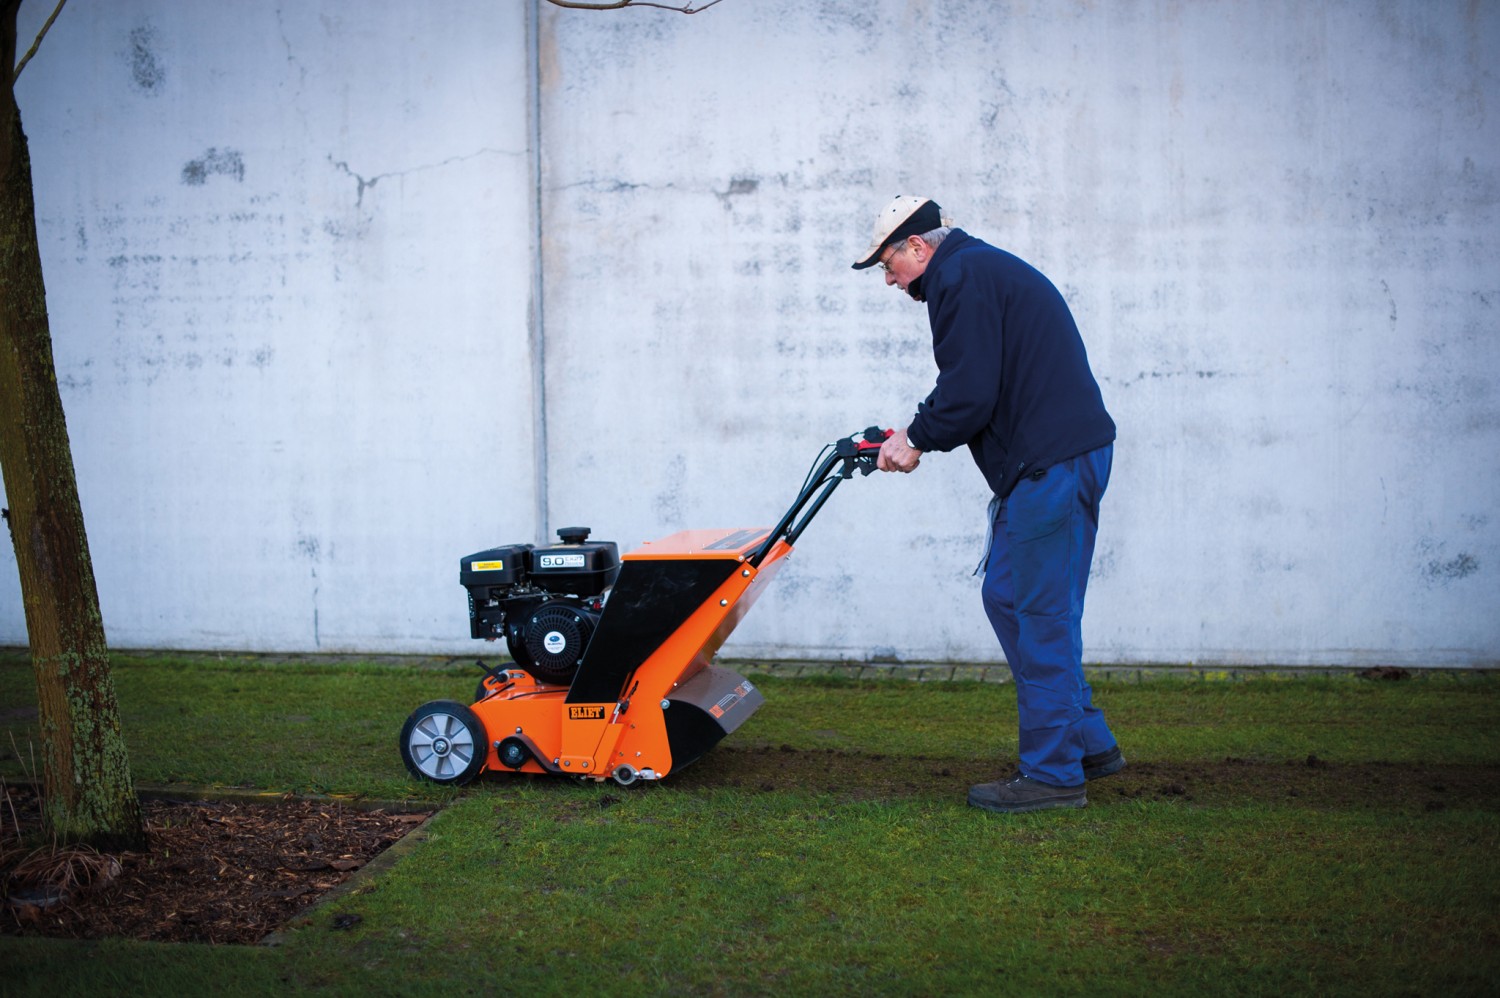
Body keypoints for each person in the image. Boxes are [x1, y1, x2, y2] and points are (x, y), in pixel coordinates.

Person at [852, 195, 1126, 814]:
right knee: (1006, 595)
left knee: (1041, 615)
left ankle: (1054, 776)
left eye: (888, 266)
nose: (890, 282)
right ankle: (1086, 741)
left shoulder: (959, 277)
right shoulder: (974, 271)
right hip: (1055, 460)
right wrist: (916, 431)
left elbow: (969, 390)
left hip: (1051, 465)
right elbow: (981, 380)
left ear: (917, 246)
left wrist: (914, 439)